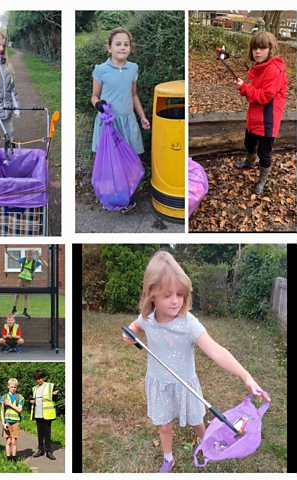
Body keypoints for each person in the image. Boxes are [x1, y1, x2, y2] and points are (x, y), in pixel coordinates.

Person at [122, 250, 271, 473]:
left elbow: (217, 351)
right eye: (167, 295)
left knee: (196, 420)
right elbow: (134, 327)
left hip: (186, 386)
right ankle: (168, 457)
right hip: (159, 384)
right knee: (164, 425)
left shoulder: (188, 324)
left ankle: (208, 443)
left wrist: (246, 376)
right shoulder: (147, 319)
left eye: (179, 294)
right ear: (151, 294)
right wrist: (129, 334)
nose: (175, 301)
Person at [91, 27, 151, 214]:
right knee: (111, 162)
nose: (122, 47)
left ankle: (126, 196)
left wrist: (142, 116)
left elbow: (133, 95)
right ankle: (109, 195)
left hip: (127, 122)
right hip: (109, 124)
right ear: (109, 48)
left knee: (128, 160)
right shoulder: (101, 70)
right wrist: (98, 104)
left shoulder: (133, 68)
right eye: (118, 44)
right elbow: (94, 96)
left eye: (126, 44)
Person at [233, 31, 288, 194]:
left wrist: (244, 87)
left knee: (264, 153)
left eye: (262, 48)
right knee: (249, 143)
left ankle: (262, 180)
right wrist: (245, 88)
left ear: (270, 49)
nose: (257, 52)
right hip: (254, 116)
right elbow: (255, 92)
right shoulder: (260, 66)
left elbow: (265, 96)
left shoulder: (274, 69)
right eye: (254, 48)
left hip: (267, 121)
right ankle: (249, 162)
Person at [6, 249, 48, 318]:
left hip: (28, 281)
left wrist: (41, 259)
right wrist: (8, 253)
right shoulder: (23, 259)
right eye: (28, 254)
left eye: (31, 254)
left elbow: (46, 265)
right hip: (21, 279)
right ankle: (14, 309)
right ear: (26, 254)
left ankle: (25, 311)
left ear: (33, 255)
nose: (29, 256)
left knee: (26, 296)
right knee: (17, 294)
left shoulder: (35, 262)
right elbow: (15, 259)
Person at [30, 369, 58, 460]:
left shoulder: (49, 386)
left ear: (43, 377)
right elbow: (32, 399)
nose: (39, 380)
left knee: (47, 434)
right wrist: (31, 401)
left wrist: (55, 394)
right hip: (38, 414)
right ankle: (41, 450)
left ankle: (49, 452)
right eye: (37, 379)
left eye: (40, 378)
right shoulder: (35, 388)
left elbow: (55, 397)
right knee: (40, 434)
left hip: (47, 414)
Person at [0, 378, 25, 462]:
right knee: (8, 441)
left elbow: (19, 410)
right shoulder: (4, 397)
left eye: (15, 387)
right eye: (12, 387)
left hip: (16, 422)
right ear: (8, 387)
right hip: (7, 422)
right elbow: (2, 411)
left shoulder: (19, 397)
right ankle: (8, 458)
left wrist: (9, 404)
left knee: (14, 441)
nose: (13, 388)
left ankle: (14, 458)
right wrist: (3, 423)